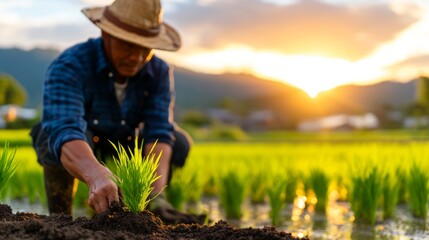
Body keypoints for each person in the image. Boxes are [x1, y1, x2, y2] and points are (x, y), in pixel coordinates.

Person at [30, 0, 203, 224]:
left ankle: (143, 216)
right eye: (129, 45)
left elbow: (158, 131)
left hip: (128, 144)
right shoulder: (70, 64)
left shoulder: (158, 71)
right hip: (84, 145)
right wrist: (95, 175)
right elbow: (65, 128)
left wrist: (156, 194)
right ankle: (61, 219)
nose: (137, 57)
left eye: (145, 48)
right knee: (48, 136)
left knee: (178, 142)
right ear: (106, 34)